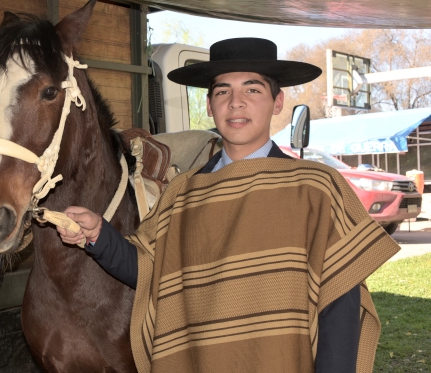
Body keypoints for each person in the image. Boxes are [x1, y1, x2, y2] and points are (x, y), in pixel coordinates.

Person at [57, 38, 399, 373]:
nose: (236, 103)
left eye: (252, 90)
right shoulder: (182, 193)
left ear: (277, 102)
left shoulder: (317, 189)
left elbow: (340, 307)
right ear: (208, 106)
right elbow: (152, 271)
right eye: (222, 92)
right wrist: (98, 234)